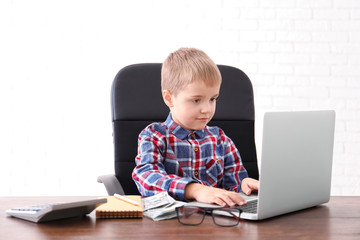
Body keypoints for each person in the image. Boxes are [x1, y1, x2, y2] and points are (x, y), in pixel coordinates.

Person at [132, 48, 259, 207]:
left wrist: (243, 185)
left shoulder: (221, 140)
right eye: (196, 100)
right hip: (171, 225)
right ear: (169, 98)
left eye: (213, 99)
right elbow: (147, 177)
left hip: (218, 223)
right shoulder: (154, 136)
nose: (207, 109)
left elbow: (232, 187)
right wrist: (195, 190)